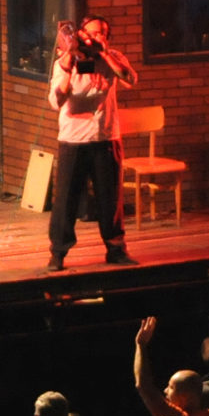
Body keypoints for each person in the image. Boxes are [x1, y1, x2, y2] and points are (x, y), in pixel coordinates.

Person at [46, 15, 137, 270]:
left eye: (102, 34)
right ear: (81, 34)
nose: (96, 38)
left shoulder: (113, 58)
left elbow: (130, 78)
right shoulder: (64, 63)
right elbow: (56, 102)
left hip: (106, 138)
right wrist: (70, 63)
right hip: (73, 140)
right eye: (92, 33)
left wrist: (105, 55)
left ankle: (116, 249)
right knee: (66, 200)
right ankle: (58, 253)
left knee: (110, 199)